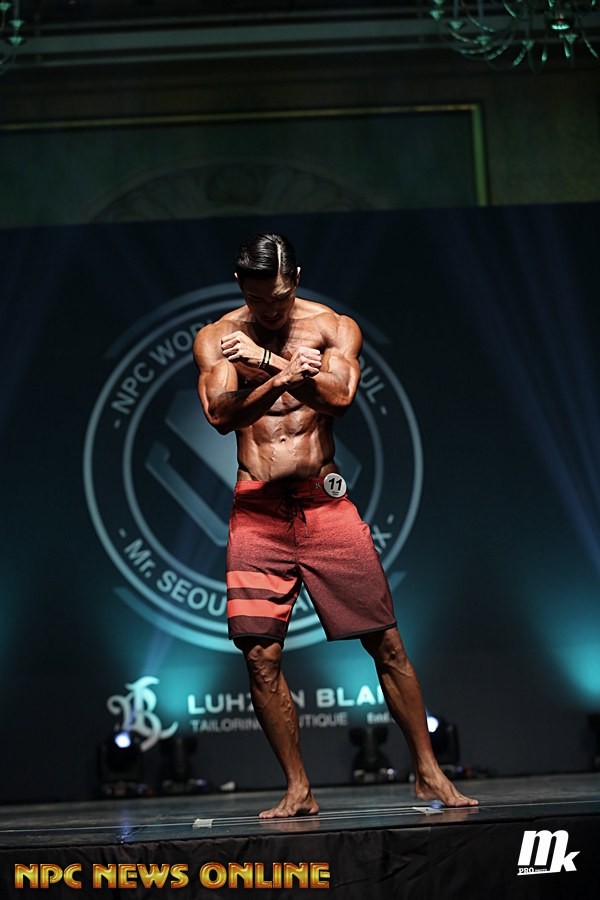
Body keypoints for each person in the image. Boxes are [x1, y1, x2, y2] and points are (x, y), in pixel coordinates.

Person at [193, 232, 477, 817]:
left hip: (324, 503)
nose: (268, 310)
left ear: (295, 279)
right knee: (259, 656)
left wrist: (266, 362)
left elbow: (340, 396)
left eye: (277, 298)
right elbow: (220, 415)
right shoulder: (218, 337)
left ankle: (428, 772)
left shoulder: (331, 327)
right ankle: (298, 787)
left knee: (386, 642)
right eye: (255, 298)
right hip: (257, 510)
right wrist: (279, 376)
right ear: (240, 285)